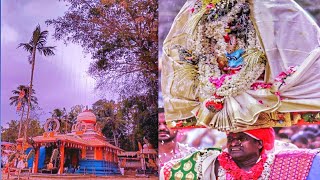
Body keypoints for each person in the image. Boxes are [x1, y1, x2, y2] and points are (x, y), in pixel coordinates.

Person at [160, 128, 320, 179]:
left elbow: (311, 161)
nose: (234, 143)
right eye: (230, 138)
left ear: (259, 143)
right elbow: (169, 170)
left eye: (242, 138)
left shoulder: (280, 165)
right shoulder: (210, 164)